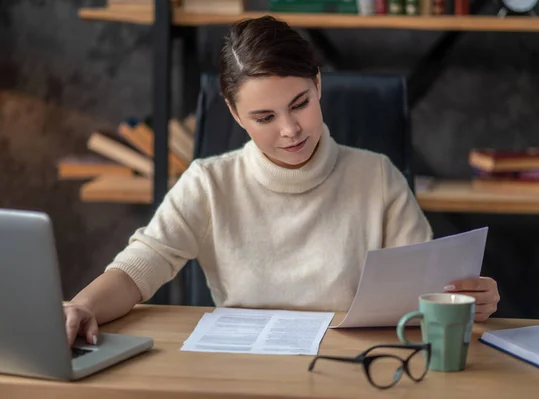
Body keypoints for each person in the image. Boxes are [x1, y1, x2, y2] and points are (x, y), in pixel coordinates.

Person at [63, 15, 500, 346]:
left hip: (352, 368)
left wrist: (469, 299)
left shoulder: (377, 177)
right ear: (235, 115)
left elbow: (425, 291)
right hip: (246, 370)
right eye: (265, 117)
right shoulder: (209, 183)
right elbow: (137, 268)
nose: (290, 129)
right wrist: (81, 306)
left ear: (318, 86)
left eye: (300, 104)